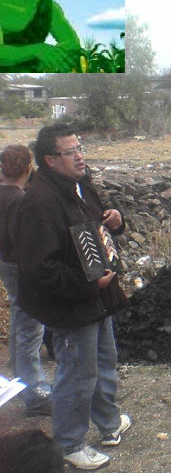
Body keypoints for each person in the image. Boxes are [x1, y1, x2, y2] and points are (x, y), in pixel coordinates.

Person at [16, 124, 131, 470]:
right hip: (72, 304)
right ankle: (70, 443)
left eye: (79, 147)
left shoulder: (78, 186)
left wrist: (114, 221)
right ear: (50, 160)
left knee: (104, 363)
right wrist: (87, 286)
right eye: (71, 151)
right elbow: (41, 269)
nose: (80, 155)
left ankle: (109, 425)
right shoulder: (39, 202)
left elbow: (90, 230)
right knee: (77, 374)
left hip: (98, 297)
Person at [0, 144, 52, 417]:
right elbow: (21, 240)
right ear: (29, 168)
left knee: (20, 318)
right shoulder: (19, 200)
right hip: (20, 267)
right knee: (31, 329)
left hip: (5, 263)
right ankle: (36, 393)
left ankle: (20, 382)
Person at [0, 0, 81, 72]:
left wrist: (54, 57)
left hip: (34, 77)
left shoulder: (50, 7)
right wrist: (37, 50)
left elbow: (72, 42)